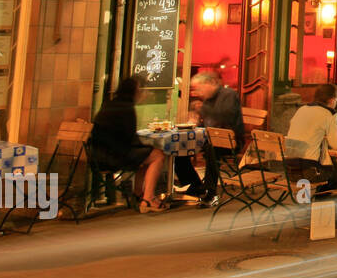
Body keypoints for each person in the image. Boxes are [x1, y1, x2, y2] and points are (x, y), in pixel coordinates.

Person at [89, 75, 170, 213]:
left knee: (146, 155)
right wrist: (147, 147)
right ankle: (148, 198)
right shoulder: (126, 108)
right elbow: (129, 138)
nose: (145, 94)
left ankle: (139, 195)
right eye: (143, 90)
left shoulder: (112, 103)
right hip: (112, 157)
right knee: (158, 155)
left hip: (98, 154)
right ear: (135, 91)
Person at [176, 70, 245, 203]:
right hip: (209, 138)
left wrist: (202, 109)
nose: (198, 92)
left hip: (230, 141)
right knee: (179, 147)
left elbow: (224, 116)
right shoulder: (207, 100)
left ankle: (210, 190)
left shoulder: (229, 95)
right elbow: (204, 119)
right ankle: (194, 185)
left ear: (209, 83)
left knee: (211, 149)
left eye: (199, 87)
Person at [284, 83, 337, 191]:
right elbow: (335, 144)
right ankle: (323, 202)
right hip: (311, 172)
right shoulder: (329, 114)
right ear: (332, 100)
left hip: (290, 170)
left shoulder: (302, 109)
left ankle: (313, 202)